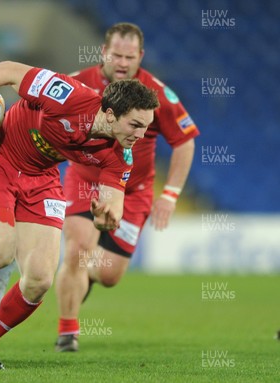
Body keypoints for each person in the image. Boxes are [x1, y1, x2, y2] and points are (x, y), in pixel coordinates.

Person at [0, 60, 160, 369]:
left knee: (39, 279)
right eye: (135, 125)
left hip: (42, 178)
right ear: (109, 114)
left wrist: (108, 217)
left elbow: (113, 200)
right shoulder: (69, 96)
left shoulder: (122, 153)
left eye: (146, 127)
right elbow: (11, 71)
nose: (141, 135)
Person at [52, 22, 200, 352]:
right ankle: (67, 334)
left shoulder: (156, 93)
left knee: (109, 275)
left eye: (129, 56)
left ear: (140, 56)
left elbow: (185, 141)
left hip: (134, 191)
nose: (122, 62)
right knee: (77, 248)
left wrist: (170, 195)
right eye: (116, 54)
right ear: (103, 52)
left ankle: (85, 278)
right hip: (85, 180)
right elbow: (46, 119)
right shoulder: (77, 83)